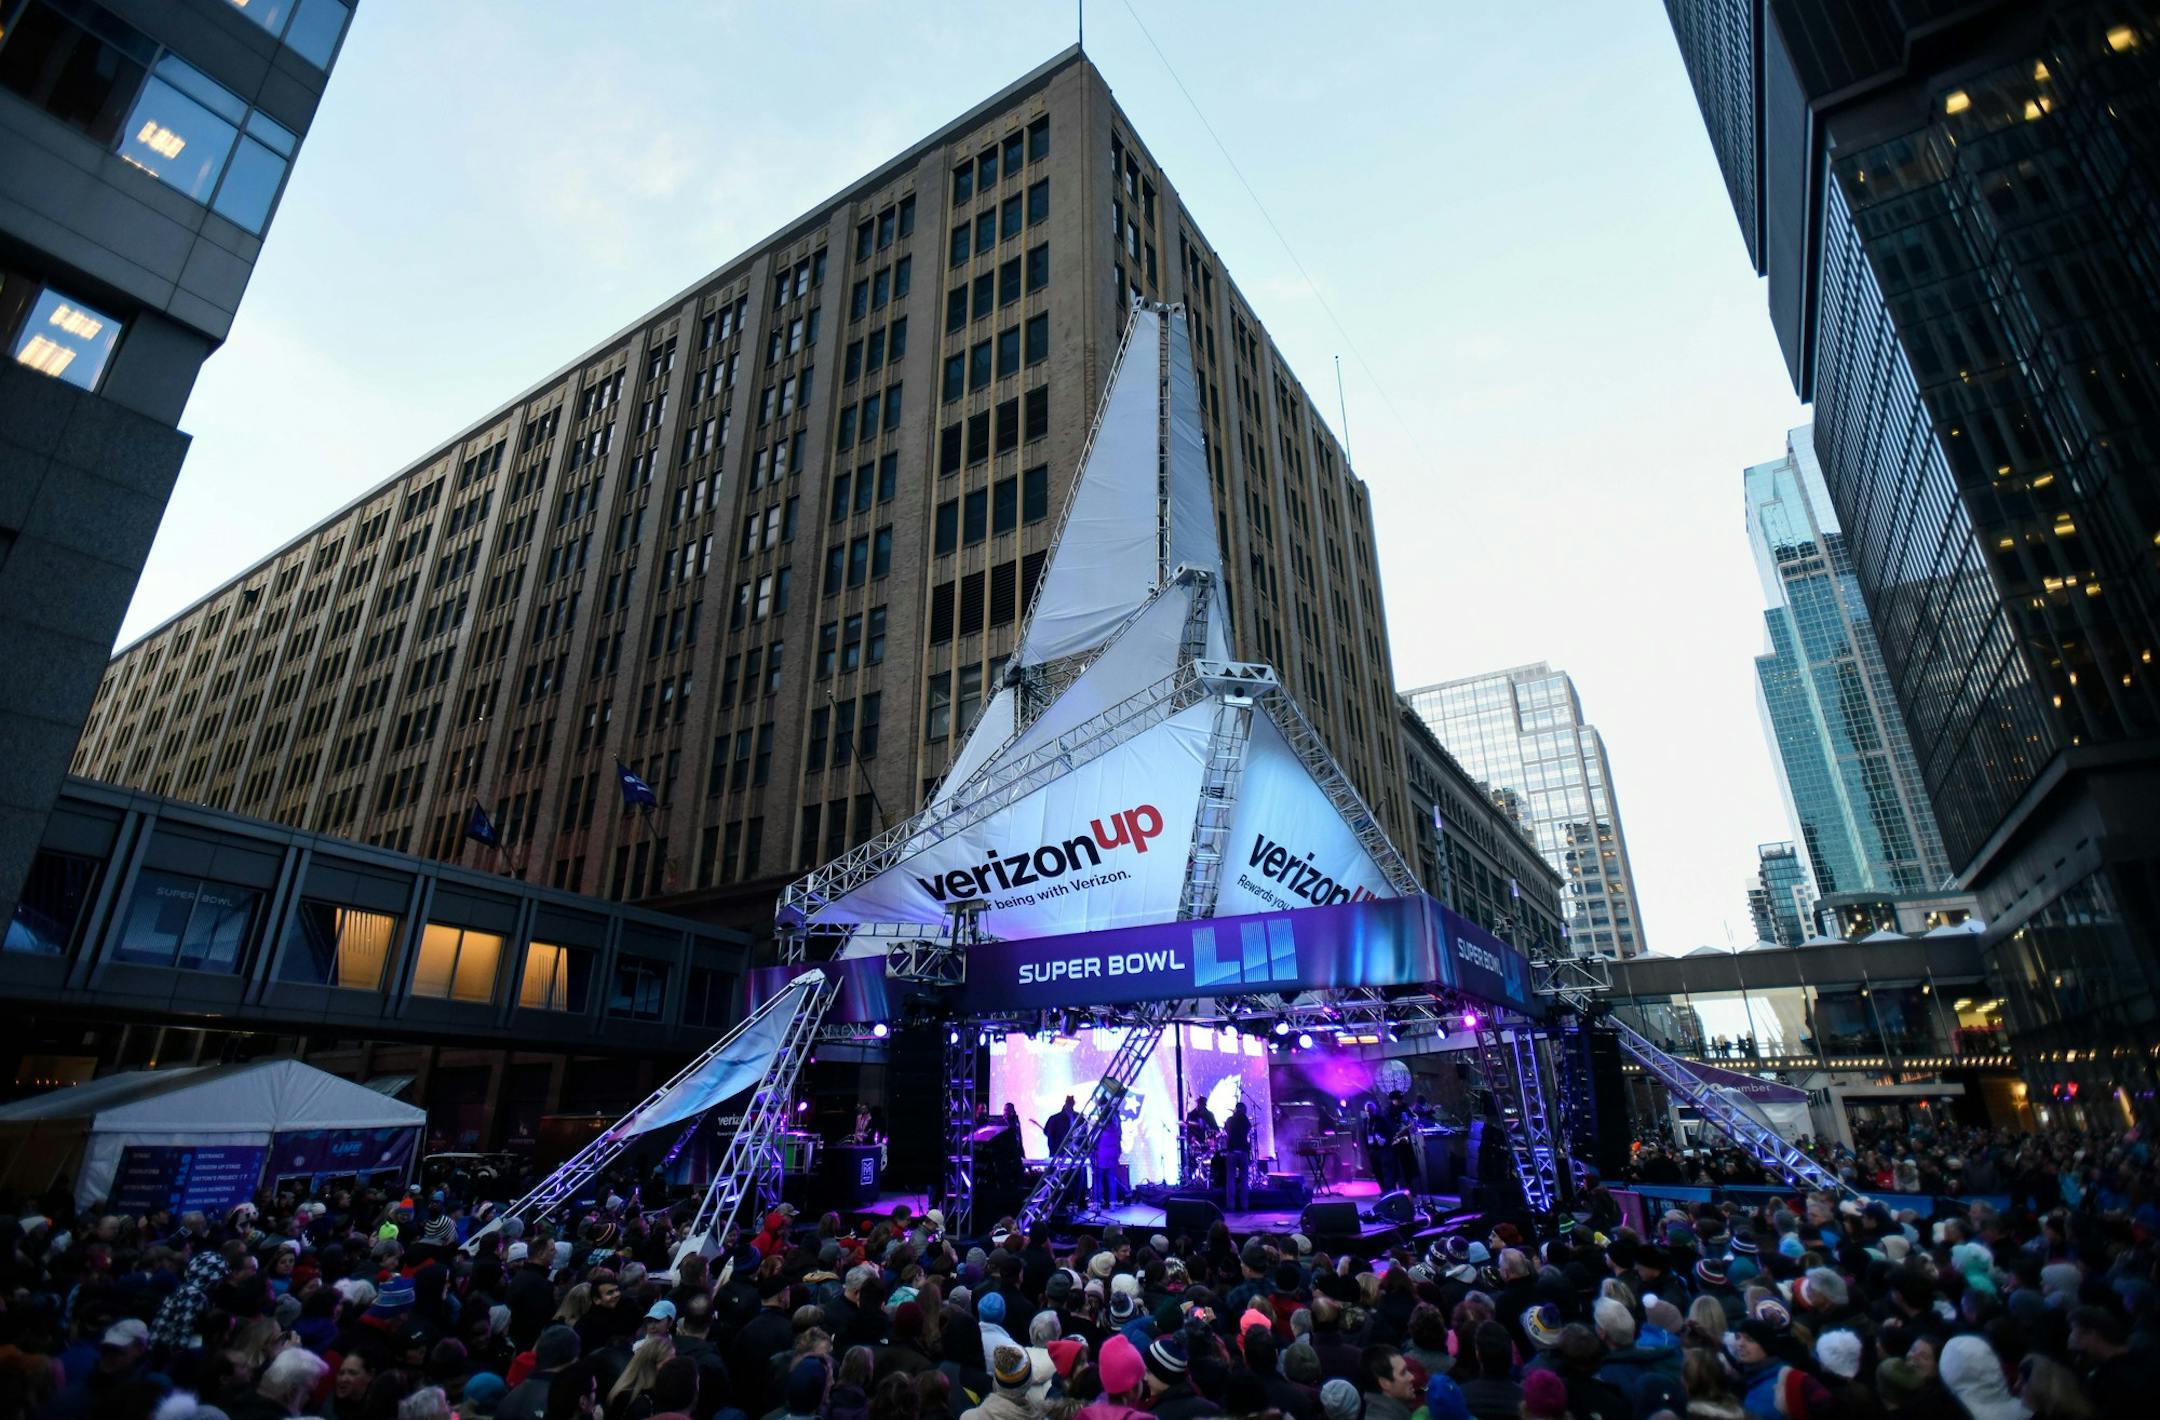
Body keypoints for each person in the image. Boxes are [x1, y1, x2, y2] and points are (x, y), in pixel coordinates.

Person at [1222, 1101, 1253, 1212]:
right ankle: (1244, 1205)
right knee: (1244, 1180)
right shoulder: (1246, 1121)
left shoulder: (1229, 1120)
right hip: (1243, 1152)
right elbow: (1248, 1131)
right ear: (1244, 1110)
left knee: (1231, 1179)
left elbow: (1226, 1130)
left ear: (1235, 1110)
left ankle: (1231, 1205)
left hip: (1232, 1151)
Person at [1360, 1100, 1395, 1191]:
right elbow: (1364, 1136)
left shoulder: (1381, 1120)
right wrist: (1366, 1150)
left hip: (1382, 1149)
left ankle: (1389, 1190)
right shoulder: (1365, 1122)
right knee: (1376, 1171)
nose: (1369, 1113)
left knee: (1385, 1171)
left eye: (1370, 1111)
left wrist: (1385, 1140)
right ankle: (1383, 1190)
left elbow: (1390, 1133)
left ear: (1374, 1110)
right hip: (1371, 1150)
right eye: (1367, 1111)